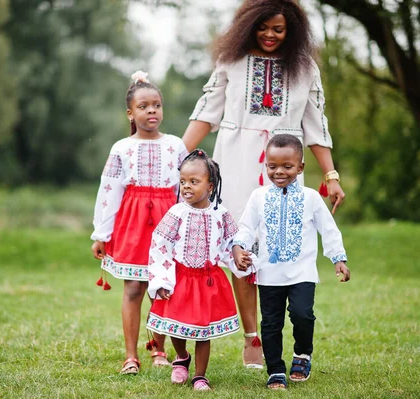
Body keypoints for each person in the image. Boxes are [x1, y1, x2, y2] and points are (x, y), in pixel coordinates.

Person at [181, 0, 346, 368]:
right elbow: (206, 114)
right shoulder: (231, 61)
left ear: (292, 31)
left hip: (283, 165)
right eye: (263, 27)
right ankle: (252, 336)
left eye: (279, 29)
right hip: (235, 160)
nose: (270, 35)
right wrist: (176, 159)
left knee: (276, 244)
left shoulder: (306, 69)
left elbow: (316, 127)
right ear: (249, 25)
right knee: (241, 243)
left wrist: (330, 175)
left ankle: (279, 333)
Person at [232, 134, 351, 389]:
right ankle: (275, 370)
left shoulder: (310, 198)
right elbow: (245, 226)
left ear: (300, 167)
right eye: (272, 166)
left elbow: (328, 229)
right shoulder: (259, 197)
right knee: (271, 324)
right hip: (269, 274)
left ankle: (302, 353)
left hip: (302, 273)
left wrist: (338, 259)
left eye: (287, 166)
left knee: (302, 315)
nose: (279, 172)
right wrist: (239, 247)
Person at [91, 70, 189, 375]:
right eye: (144, 106)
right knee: (134, 288)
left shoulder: (176, 145)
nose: (152, 111)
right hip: (132, 221)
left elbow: (186, 188)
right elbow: (109, 191)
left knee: (162, 287)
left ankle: (159, 348)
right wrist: (101, 234)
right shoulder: (121, 148)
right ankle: (131, 356)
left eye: (157, 105)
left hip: (167, 221)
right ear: (131, 113)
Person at [146, 149, 251, 391]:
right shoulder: (176, 212)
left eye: (194, 182)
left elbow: (232, 241)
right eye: (183, 181)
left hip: (208, 280)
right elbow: (159, 244)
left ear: (211, 186)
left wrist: (239, 255)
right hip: (180, 278)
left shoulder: (221, 214)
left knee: (203, 330)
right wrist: (161, 279)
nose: (186, 187)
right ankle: (181, 357)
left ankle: (200, 376)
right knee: (175, 323)